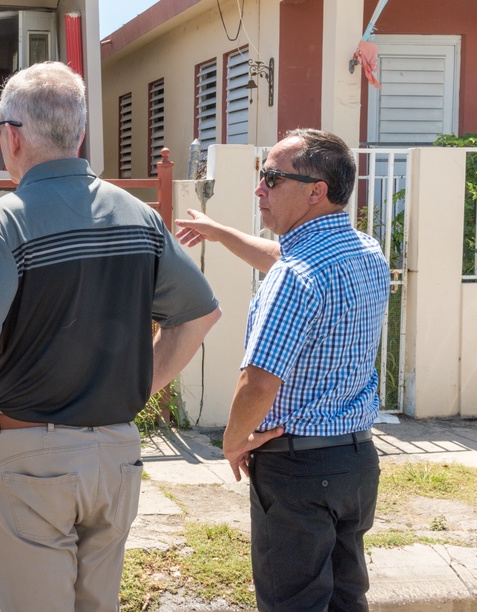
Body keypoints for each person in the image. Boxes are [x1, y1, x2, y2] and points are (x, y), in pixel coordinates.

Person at [0, 61, 221, 611]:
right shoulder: (137, 216)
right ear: (79, 132)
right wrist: (139, 385)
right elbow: (200, 314)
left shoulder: (8, 220)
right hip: (115, 455)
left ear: (10, 136)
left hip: (28, 457)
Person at [176, 128, 390, 611]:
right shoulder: (366, 253)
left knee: (293, 603)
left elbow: (258, 382)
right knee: (345, 599)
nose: (259, 189)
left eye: (271, 178)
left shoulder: (294, 278)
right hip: (355, 462)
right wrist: (220, 231)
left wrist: (232, 442)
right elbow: (282, 255)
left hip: (298, 469)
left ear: (317, 191)